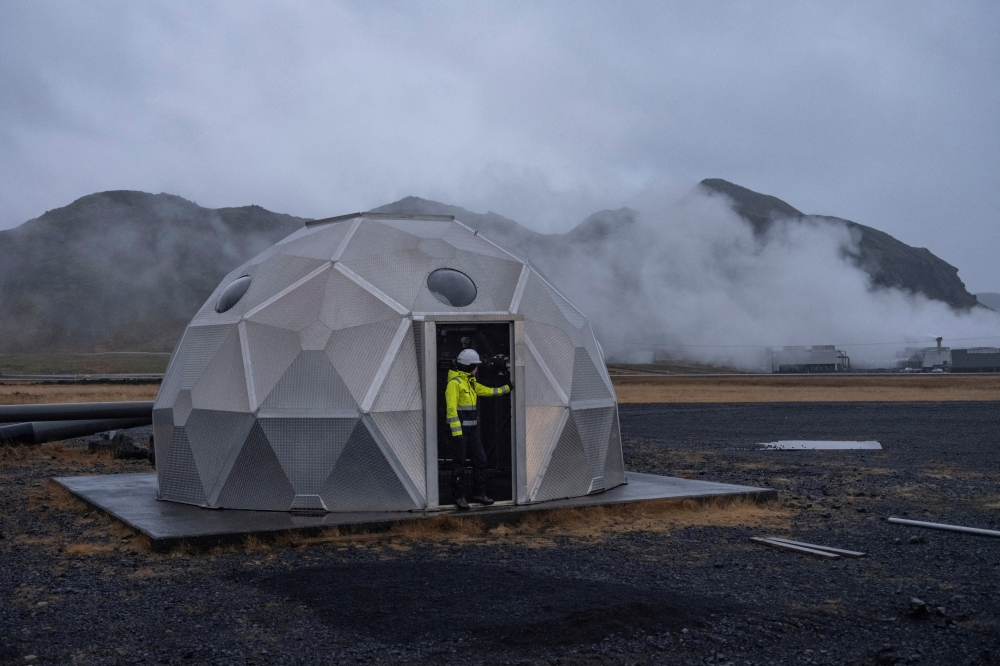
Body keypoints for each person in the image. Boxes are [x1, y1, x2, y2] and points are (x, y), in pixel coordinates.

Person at [445, 348, 511, 510]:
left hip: (472, 431)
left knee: (481, 460)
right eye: (476, 365)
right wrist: (457, 434)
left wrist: (507, 388)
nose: (477, 368)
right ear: (469, 366)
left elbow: (487, 391)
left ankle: (478, 493)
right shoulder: (455, 384)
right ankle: (459, 496)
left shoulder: (470, 382)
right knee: (459, 463)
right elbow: (451, 410)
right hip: (460, 433)